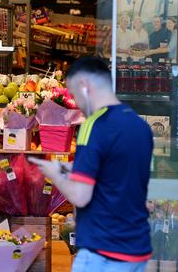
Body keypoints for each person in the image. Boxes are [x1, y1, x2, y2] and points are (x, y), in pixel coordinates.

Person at [29, 56, 153, 272]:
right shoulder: (139, 125)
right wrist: (73, 171)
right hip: (136, 250)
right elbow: (118, 176)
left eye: (75, 95)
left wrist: (55, 174)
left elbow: (80, 196)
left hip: (103, 252)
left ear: (85, 86)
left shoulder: (94, 125)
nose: (76, 103)